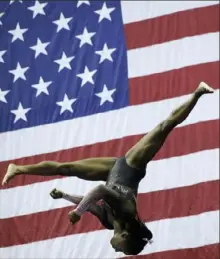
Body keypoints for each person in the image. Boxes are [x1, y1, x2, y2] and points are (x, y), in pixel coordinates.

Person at [2, 82, 215, 255]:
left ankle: (19, 169)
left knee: (65, 168)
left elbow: (92, 204)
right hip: (131, 167)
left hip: (112, 171)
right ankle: (197, 93)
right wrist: (77, 213)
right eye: (121, 250)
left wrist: (65, 196)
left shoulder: (107, 223)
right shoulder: (127, 212)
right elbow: (99, 191)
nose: (116, 251)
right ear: (125, 237)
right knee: (163, 128)